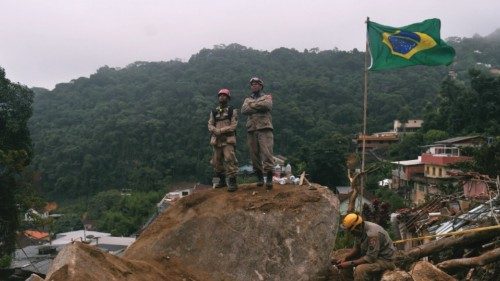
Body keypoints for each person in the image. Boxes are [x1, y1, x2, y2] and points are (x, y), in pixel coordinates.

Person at [332, 213, 396, 281]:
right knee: (345, 265)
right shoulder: (359, 230)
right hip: (372, 256)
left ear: (357, 227)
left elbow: (370, 258)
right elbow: (357, 249)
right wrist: (346, 258)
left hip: (385, 260)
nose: (350, 233)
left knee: (360, 270)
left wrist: (350, 263)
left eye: (350, 231)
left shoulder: (373, 234)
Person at [241, 77, 274, 189]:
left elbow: (268, 106)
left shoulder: (267, 97)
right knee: (254, 155)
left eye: (256, 84)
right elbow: (244, 110)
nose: (254, 86)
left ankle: (269, 179)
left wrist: (252, 105)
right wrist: (259, 106)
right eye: (252, 84)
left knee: (267, 153)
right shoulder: (247, 99)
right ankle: (260, 178)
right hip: (251, 129)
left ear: (261, 86)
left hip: (264, 128)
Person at [208, 88, 238, 192]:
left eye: (224, 95)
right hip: (216, 140)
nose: (222, 97)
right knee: (216, 162)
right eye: (220, 95)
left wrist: (220, 130)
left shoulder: (232, 110)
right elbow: (210, 124)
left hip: (228, 139)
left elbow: (233, 126)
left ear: (228, 98)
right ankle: (220, 182)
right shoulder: (214, 111)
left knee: (230, 159)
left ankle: (232, 182)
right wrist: (214, 130)